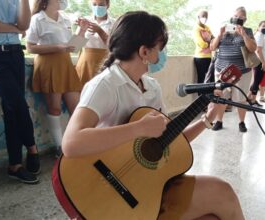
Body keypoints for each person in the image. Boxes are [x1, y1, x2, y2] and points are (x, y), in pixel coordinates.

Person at [61, 11, 244, 220]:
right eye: (160, 48)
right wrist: (138, 129)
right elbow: (71, 143)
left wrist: (208, 119)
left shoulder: (151, 87)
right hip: (112, 190)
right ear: (144, 52)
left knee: (220, 199)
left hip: (145, 184)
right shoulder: (105, 85)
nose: (162, 55)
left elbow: (168, 140)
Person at [0, 0, 40, 184]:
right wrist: (14, 29)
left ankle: (15, 165)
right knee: (18, 104)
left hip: (16, 53)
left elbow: (24, 25)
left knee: (11, 108)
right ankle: (32, 148)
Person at [26, 0, 82, 157]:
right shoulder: (38, 19)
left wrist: (82, 31)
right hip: (48, 65)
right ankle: (60, 147)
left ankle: (77, 142)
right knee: (55, 108)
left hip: (65, 65)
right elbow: (30, 47)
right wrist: (57, 47)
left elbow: (74, 47)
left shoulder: (65, 19)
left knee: (77, 108)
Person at [209, 6, 257, 132]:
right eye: (235, 16)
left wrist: (244, 35)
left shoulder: (248, 31)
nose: (237, 18)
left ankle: (241, 122)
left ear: (245, 19)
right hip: (221, 71)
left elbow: (252, 48)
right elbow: (212, 47)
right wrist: (220, 34)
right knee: (221, 97)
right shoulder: (224, 29)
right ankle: (219, 121)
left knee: (241, 98)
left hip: (241, 72)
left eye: (240, 17)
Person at [75, 0, 115, 85]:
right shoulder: (85, 21)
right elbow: (74, 47)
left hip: (105, 63)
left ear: (107, 5)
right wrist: (82, 30)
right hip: (85, 63)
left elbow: (115, 46)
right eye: (94, 4)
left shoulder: (114, 23)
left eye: (101, 5)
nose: (97, 7)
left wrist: (100, 31)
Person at [248, 20, 265, 104]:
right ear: (258, 27)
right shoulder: (259, 35)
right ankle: (251, 100)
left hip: (263, 62)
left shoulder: (263, 36)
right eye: (263, 26)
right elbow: (258, 50)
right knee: (256, 82)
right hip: (260, 62)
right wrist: (263, 62)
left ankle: (250, 99)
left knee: (257, 81)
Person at [193, 10, 213, 88]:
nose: (205, 18)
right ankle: (202, 98)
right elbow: (201, 44)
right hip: (200, 58)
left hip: (209, 57)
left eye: (206, 16)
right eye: (203, 16)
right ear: (198, 17)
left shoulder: (207, 28)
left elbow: (214, 39)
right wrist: (209, 42)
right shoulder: (196, 29)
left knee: (211, 80)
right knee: (202, 80)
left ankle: (210, 98)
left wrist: (208, 40)